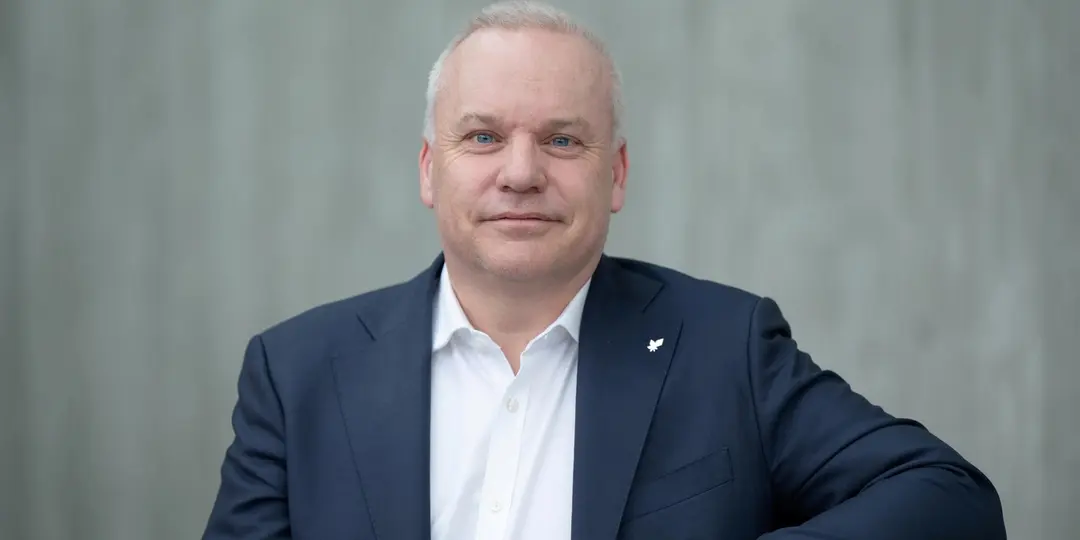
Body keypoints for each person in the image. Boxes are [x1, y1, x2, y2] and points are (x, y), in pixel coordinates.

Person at [202, 1, 1006, 539]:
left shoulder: (725, 349)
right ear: (427, 170)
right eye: (483, 137)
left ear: (615, 175)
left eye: (561, 140)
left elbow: (950, 499)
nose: (521, 172)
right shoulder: (296, 373)